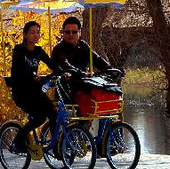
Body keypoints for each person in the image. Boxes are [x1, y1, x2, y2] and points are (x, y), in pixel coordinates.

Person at [9, 20, 60, 151]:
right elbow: (20, 70)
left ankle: (56, 145)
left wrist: (63, 72)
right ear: (25, 35)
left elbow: (51, 63)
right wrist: (33, 77)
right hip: (22, 92)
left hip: (36, 91)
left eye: (38, 32)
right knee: (39, 117)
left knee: (53, 113)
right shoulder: (19, 50)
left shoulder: (38, 50)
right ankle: (18, 141)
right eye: (32, 32)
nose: (35, 35)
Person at [51, 16, 116, 100]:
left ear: (79, 32)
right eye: (67, 32)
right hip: (66, 89)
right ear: (63, 33)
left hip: (83, 86)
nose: (70, 34)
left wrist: (111, 69)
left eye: (74, 32)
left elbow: (96, 59)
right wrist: (81, 73)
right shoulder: (58, 49)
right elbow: (65, 64)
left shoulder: (83, 45)